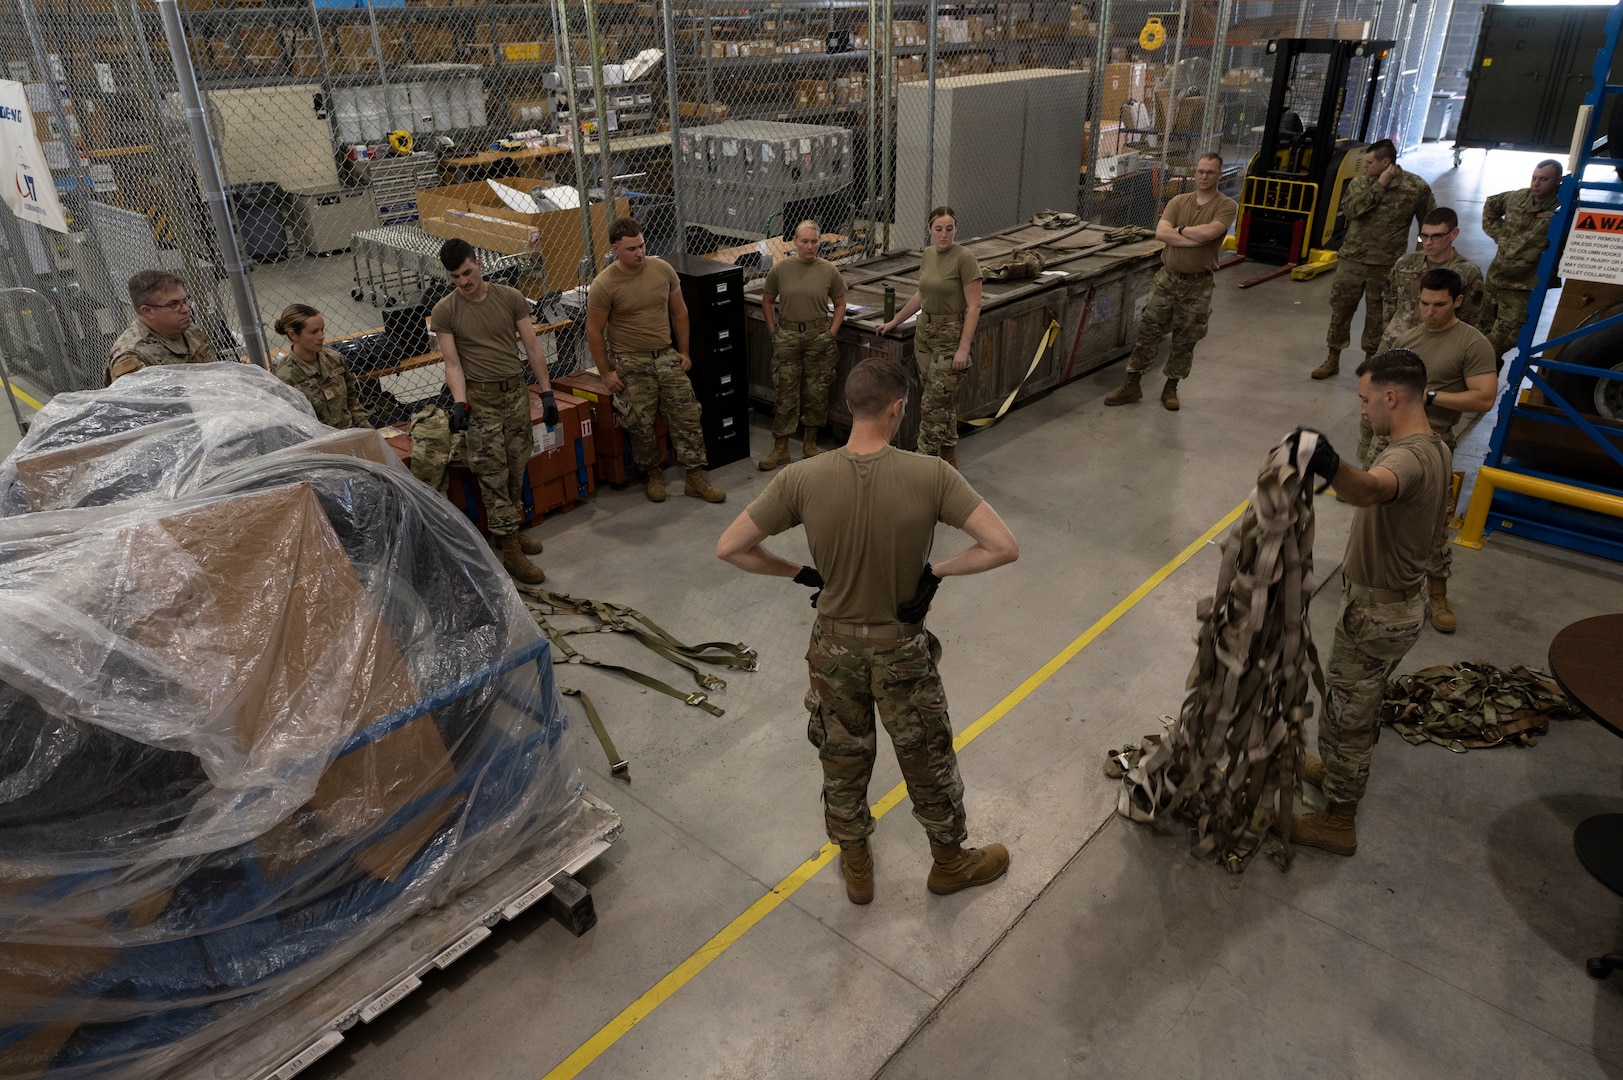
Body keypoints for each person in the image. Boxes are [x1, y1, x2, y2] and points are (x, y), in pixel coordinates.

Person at [715, 356, 1018, 904]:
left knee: (842, 761)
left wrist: (799, 572)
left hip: (833, 650)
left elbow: (730, 547)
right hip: (901, 649)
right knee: (926, 758)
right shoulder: (932, 475)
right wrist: (937, 572)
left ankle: (857, 868)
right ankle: (949, 864)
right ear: (898, 408)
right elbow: (1002, 546)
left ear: (850, 405)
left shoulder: (801, 477)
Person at [1293, 350, 1452, 856]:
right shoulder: (1434, 444)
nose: (1362, 410)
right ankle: (1335, 771)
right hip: (1396, 605)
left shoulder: (1405, 458)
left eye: (1365, 401)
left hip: (1377, 615)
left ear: (1390, 396)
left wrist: (1330, 463)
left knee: (1349, 715)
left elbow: (1368, 490)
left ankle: (1339, 821)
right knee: (1354, 704)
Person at [1378, 268, 1497, 634]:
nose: (1429, 311)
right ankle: (1384, 585)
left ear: (1457, 301)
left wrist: (1430, 396)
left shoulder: (1471, 343)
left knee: (1433, 523)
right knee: (1381, 515)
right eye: (1424, 303)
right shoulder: (1407, 336)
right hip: (1392, 441)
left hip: (1435, 440)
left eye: (1439, 304)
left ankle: (1438, 594)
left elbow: (1484, 397)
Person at [432, 237, 557, 585]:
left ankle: (509, 534)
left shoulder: (510, 298)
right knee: (493, 475)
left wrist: (546, 394)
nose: (463, 282)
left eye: (467, 273)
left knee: (516, 467)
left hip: (515, 394)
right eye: (455, 277)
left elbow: (532, 347)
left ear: (479, 264)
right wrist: (459, 402)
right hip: (482, 401)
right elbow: (452, 363)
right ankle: (511, 552)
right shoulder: (446, 310)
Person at [586, 217, 726, 504]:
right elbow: (594, 331)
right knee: (639, 422)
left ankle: (694, 477)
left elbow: (680, 312)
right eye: (631, 249)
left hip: (665, 355)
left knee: (687, 414)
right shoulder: (604, 284)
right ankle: (654, 473)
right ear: (614, 249)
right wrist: (605, 373)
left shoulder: (662, 270)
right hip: (630, 361)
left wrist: (684, 352)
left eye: (642, 246)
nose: (639, 253)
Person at [1103, 152, 1237, 411]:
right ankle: (1132, 384)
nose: (1204, 176)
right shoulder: (1179, 201)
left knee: (1186, 338)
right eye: (1200, 171)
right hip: (1167, 278)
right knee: (1147, 331)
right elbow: (1161, 233)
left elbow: (1210, 233)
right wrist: (1191, 237)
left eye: (1210, 172)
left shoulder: (1226, 206)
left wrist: (1181, 231)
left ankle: (1170, 388)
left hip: (1198, 284)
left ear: (1219, 174)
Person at [1314, 139, 1435, 380]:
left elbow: (1428, 223)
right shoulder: (1361, 183)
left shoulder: (1416, 187)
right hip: (1353, 260)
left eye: (1370, 162)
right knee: (1341, 309)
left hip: (1387, 265)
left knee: (1379, 316)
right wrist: (1379, 185)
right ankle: (1332, 359)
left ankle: (1371, 364)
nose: (1364, 166)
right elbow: (1351, 211)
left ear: (1386, 162)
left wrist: (1422, 255)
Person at [876, 206, 981, 467]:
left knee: (932, 403)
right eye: (938, 229)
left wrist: (963, 348)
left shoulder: (964, 258)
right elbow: (921, 295)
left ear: (956, 229)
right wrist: (895, 322)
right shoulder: (928, 255)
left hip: (951, 336)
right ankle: (948, 452)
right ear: (930, 230)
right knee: (941, 398)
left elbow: (975, 306)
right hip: (925, 335)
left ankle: (924, 463)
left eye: (949, 228)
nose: (944, 234)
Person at [758, 220, 847, 470]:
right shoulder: (781, 269)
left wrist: (831, 333)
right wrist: (773, 332)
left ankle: (810, 444)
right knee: (786, 394)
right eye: (805, 241)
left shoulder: (829, 270)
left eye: (814, 241)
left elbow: (840, 304)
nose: (810, 246)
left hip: (818, 337)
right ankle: (781, 448)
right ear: (795, 242)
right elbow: (767, 301)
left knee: (816, 393)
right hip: (787, 336)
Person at [1481, 159, 1563, 362]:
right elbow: (1491, 206)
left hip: (1523, 289)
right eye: (1534, 178)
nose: (1536, 183)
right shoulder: (1517, 198)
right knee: (1479, 334)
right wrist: (1501, 236)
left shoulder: (1562, 208)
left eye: (1543, 179)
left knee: (1503, 340)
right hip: (1495, 279)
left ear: (1558, 181)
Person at [1378, 206, 1484, 351]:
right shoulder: (1405, 263)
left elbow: (1470, 320)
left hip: (1437, 347)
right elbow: (1389, 301)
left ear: (1454, 234)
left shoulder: (1468, 273)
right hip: (1397, 340)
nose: (1427, 242)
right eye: (1424, 236)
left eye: (1436, 236)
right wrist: (1389, 331)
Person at [271, 304, 372, 430]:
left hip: (349, 435)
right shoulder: (285, 377)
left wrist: (366, 430)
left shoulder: (334, 359)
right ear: (293, 335)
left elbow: (351, 399)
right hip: (319, 443)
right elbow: (293, 425)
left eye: (322, 330)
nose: (321, 337)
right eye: (314, 332)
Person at [108, 270, 217, 383]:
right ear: (148, 311)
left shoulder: (188, 330)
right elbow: (140, 400)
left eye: (185, 300)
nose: (186, 309)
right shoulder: (132, 356)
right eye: (174, 305)